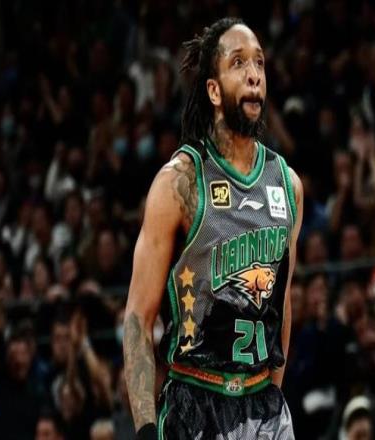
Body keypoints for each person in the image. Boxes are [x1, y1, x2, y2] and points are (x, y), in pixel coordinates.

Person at [123, 17, 303, 440]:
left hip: (264, 406)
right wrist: (145, 427)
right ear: (214, 90)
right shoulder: (180, 183)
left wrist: (272, 396)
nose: (254, 74)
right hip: (195, 401)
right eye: (238, 62)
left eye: (259, 62)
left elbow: (282, 303)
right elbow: (137, 318)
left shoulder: (287, 184)